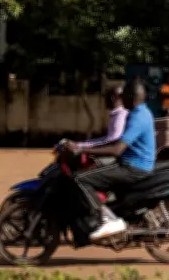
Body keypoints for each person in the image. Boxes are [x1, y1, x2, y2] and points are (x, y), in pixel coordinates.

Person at [67, 79, 156, 240]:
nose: (121, 99)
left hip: (133, 168)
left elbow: (117, 149)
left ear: (131, 96)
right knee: (92, 172)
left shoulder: (137, 117)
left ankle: (107, 220)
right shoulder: (140, 112)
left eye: (124, 96)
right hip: (132, 164)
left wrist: (82, 149)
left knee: (80, 179)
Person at [72, 86, 128, 151]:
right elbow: (107, 139)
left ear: (112, 98)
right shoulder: (117, 114)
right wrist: (80, 144)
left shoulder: (120, 116)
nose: (104, 100)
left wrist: (81, 147)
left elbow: (112, 142)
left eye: (106, 97)